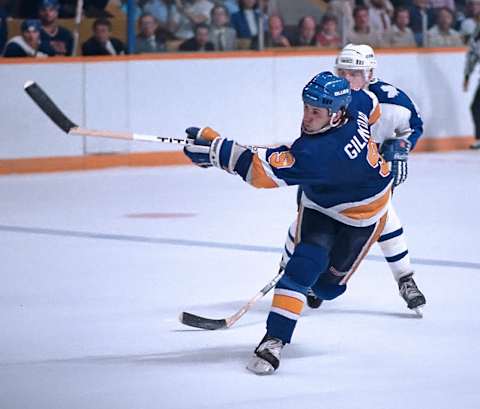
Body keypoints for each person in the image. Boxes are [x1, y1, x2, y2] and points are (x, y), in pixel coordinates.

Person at [183, 71, 393, 374]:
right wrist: (219, 146)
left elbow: (261, 173)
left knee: (327, 290)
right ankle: (273, 341)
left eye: (316, 112)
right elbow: (372, 105)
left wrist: (218, 152)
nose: (307, 118)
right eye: (306, 108)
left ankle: (305, 288)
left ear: (336, 115)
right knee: (302, 268)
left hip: (363, 217)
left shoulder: (321, 152)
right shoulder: (353, 103)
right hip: (321, 206)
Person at [304, 44, 427, 313]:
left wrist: (401, 148)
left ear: (370, 74)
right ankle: (295, 271)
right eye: (343, 72)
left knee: (387, 222)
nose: (347, 80)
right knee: (308, 229)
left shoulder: (392, 103)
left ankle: (405, 278)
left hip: (369, 181)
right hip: (331, 180)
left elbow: (413, 126)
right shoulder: (329, 97)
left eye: (355, 73)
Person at [464, 25, 480, 149]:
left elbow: (472, 56)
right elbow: (472, 56)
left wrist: (467, 77)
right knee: (476, 107)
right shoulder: (476, 37)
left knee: (476, 107)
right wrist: (467, 77)